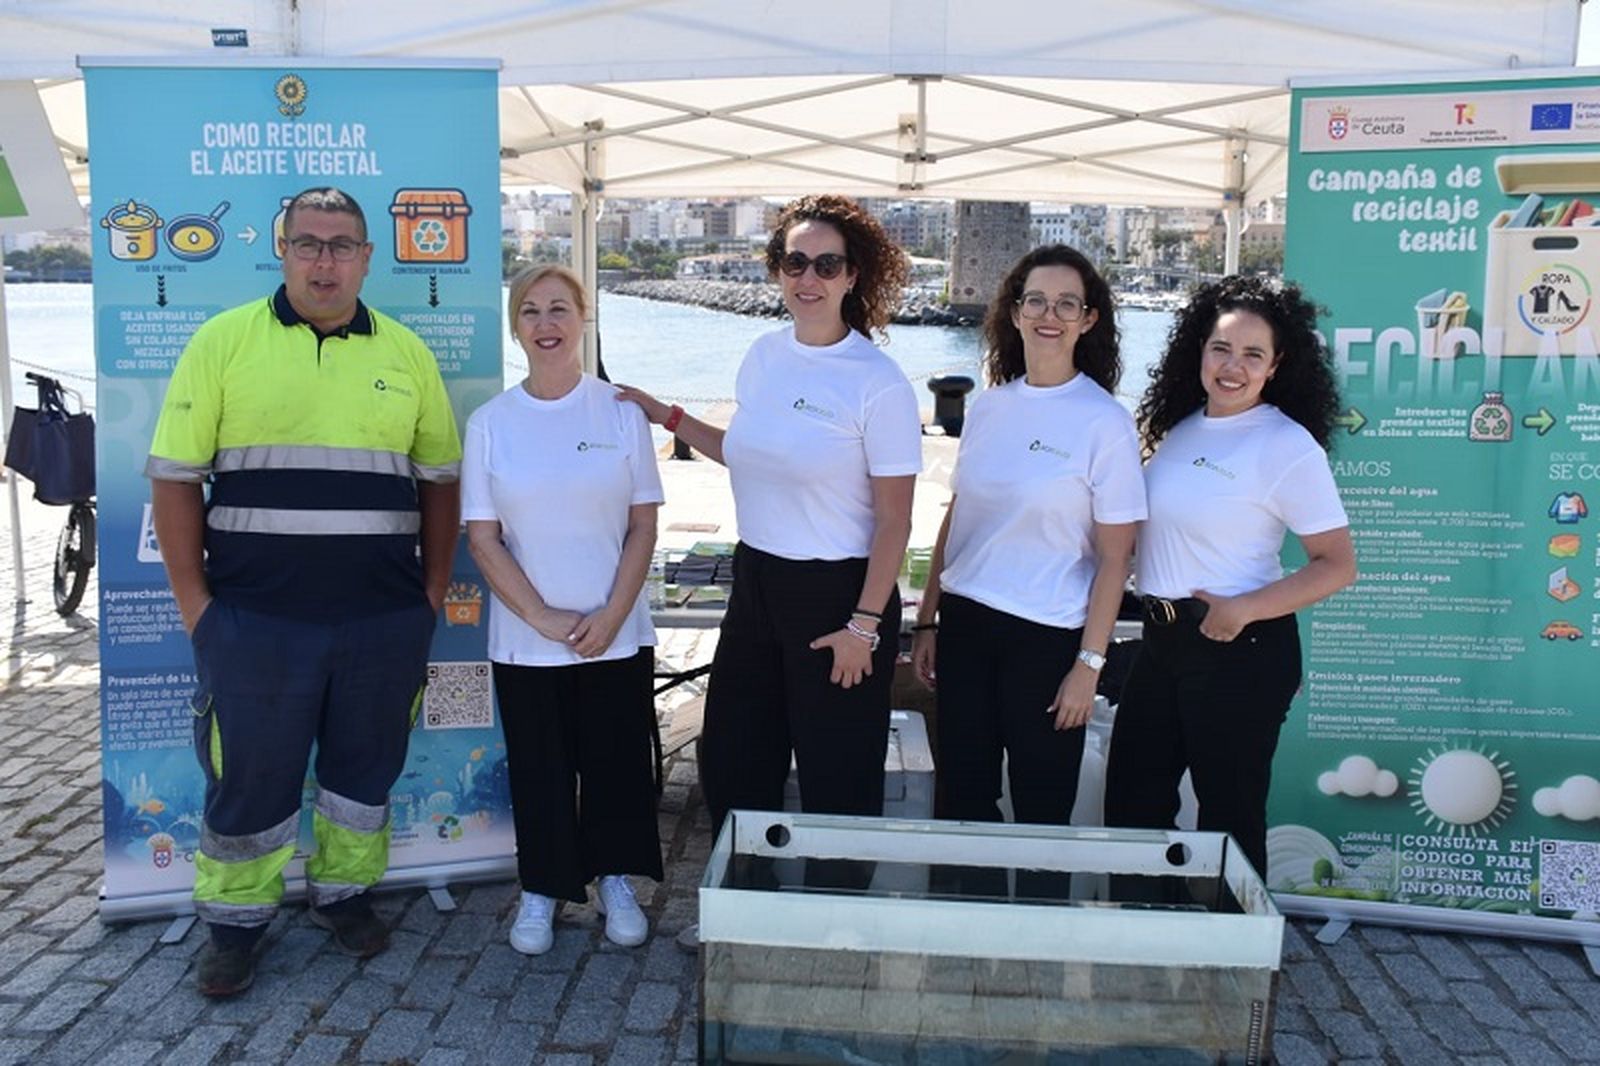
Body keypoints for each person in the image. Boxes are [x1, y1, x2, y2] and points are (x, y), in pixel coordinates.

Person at [147, 187, 461, 997]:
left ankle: (346, 895)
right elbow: (175, 477)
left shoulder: (407, 353)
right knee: (251, 775)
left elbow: (439, 482)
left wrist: (429, 595)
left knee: (364, 770)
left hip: (381, 620)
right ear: (282, 251)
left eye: (342, 245)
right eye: (309, 244)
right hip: (254, 621)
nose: (326, 261)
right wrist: (197, 609)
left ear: (367, 257)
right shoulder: (223, 342)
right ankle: (235, 923)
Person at [617, 194, 920, 863]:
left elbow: (895, 519)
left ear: (853, 276)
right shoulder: (763, 355)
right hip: (756, 580)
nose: (808, 278)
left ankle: (836, 910)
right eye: (795, 261)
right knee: (734, 759)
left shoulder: (878, 383)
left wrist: (864, 626)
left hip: (840, 594)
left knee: (838, 776)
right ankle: (749, 893)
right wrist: (666, 415)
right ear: (778, 269)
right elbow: (747, 453)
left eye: (827, 264)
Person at [1104, 275, 1357, 882]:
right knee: (1133, 807)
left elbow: (1337, 564)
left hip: (1239, 648)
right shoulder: (1180, 428)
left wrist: (1244, 608)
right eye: (1221, 348)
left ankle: (1235, 939)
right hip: (1160, 643)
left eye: (1252, 354)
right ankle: (1146, 929)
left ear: (1276, 365)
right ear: (1200, 350)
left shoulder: (1286, 445)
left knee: (1228, 817)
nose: (1232, 367)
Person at [910, 245, 1144, 896]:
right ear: (1014, 312)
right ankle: (967, 931)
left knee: (1043, 809)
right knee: (964, 801)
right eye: (1036, 300)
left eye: (1067, 304)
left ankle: (1037, 937)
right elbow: (958, 515)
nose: (1049, 315)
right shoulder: (989, 407)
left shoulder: (1104, 422)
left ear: (1088, 320)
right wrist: (927, 618)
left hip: (1048, 639)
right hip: (966, 627)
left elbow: (1116, 557)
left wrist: (1088, 666)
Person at [461, 265, 664, 955]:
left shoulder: (621, 412)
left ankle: (614, 879)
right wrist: (543, 618)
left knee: (615, 763)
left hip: (617, 630)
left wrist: (613, 613)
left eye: (558, 309)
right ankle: (543, 888)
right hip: (526, 639)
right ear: (515, 327)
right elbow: (483, 539)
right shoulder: (491, 424)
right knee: (540, 769)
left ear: (583, 317)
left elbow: (643, 525)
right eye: (530, 311)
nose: (545, 324)